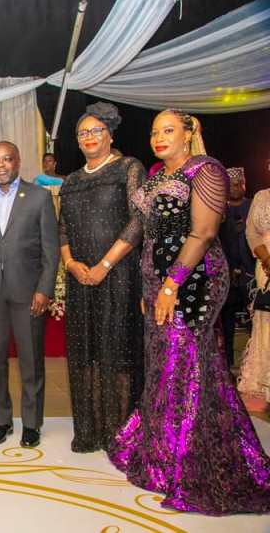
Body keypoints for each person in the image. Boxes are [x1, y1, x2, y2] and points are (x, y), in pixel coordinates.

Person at [109, 109, 270, 514]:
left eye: (169, 130)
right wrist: (151, 284)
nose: (159, 137)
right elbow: (149, 234)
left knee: (190, 365)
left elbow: (203, 233)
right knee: (165, 364)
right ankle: (165, 453)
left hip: (193, 281)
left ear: (188, 133)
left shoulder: (205, 170)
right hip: (158, 282)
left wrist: (170, 285)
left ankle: (194, 459)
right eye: (154, 131)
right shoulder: (157, 174)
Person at [59, 102, 145, 453]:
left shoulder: (128, 168)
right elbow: (62, 228)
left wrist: (104, 265)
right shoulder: (73, 181)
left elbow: (138, 221)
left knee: (117, 350)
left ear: (110, 134)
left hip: (119, 275)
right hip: (81, 279)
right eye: (83, 133)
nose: (89, 137)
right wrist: (71, 263)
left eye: (96, 131)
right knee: (86, 352)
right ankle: (89, 429)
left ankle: (120, 432)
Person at [0, 141, 60, 448]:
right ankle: (1, 421)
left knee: (31, 362)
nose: (0, 165)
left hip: (28, 293)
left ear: (18, 162)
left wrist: (44, 290)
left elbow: (51, 250)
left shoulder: (39, 197)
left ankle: (31, 424)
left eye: (7, 159)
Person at [238, 185, 270, 413]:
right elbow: (251, 232)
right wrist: (267, 259)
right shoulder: (262, 196)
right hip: (266, 264)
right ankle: (264, 382)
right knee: (267, 322)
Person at [219, 167, 253, 369]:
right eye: (232, 184)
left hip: (250, 273)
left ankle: (252, 366)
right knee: (227, 323)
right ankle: (228, 365)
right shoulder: (220, 211)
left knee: (253, 321)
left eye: (240, 183)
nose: (237, 187)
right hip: (227, 274)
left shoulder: (252, 205)